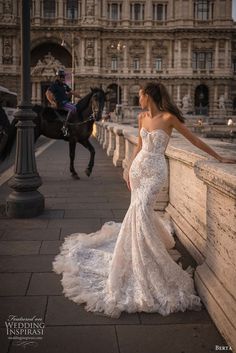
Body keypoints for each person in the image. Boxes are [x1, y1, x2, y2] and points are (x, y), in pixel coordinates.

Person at [52, 82, 236, 319]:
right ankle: (138, 255)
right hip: (139, 171)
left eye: (140, 96)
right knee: (138, 214)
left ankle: (144, 258)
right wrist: (128, 168)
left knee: (141, 211)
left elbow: (194, 140)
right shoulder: (141, 118)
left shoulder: (169, 118)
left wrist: (219, 156)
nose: (138, 99)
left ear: (149, 96)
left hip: (156, 172)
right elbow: (139, 146)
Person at [46, 69, 81, 137]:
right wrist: (52, 102)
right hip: (60, 103)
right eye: (61, 76)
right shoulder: (54, 85)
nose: (63, 78)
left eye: (63, 77)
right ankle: (64, 127)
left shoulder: (64, 85)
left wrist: (80, 96)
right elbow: (47, 93)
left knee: (77, 107)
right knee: (73, 109)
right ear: (57, 77)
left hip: (66, 102)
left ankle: (73, 124)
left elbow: (71, 91)